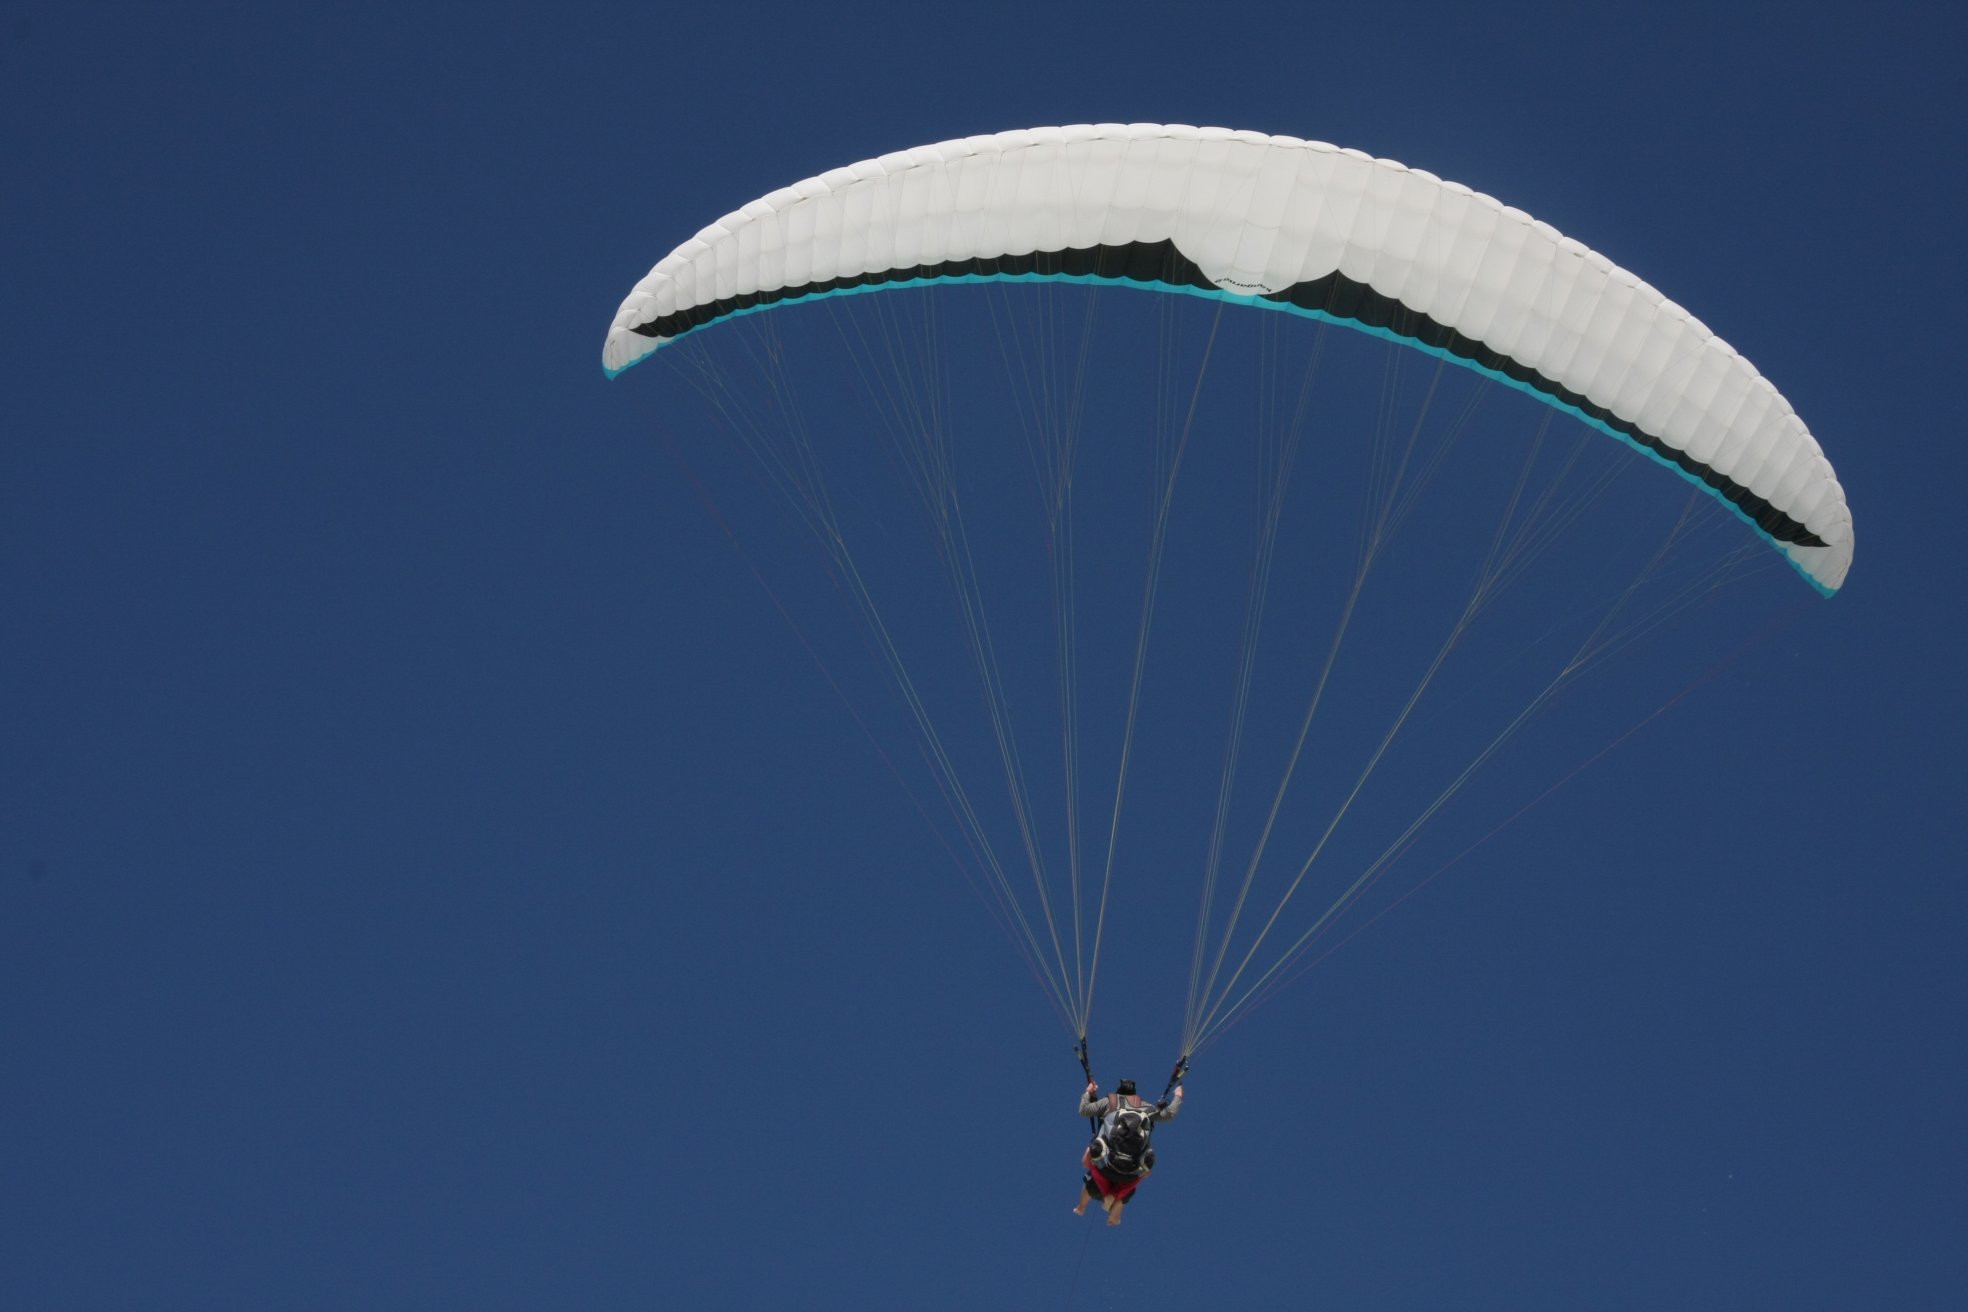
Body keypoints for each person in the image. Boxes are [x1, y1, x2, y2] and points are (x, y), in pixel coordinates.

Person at [1073, 1076, 1183, 1226]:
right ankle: (1115, 1215)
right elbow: (1169, 1114)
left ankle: (1081, 1208)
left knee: (1090, 1177)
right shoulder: (1147, 1108)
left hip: (1105, 1165)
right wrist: (1178, 1095)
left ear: (1119, 1093)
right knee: (1127, 1190)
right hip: (1131, 1172)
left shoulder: (1109, 1102)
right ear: (1135, 1095)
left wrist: (1088, 1093)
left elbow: (1084, 1110)